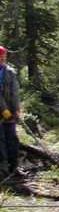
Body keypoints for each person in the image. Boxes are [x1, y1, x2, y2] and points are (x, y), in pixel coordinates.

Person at [0, 45, 20, 177]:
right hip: (1, 113)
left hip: (11, 113)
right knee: (0, 140)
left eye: (4, 56)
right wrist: (3, 109)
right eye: (1, 56)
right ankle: (3, 167)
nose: (2, 58)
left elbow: (15, 92)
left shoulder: (10, 72)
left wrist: (17, 109)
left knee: (12, 138)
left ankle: (14, 166)